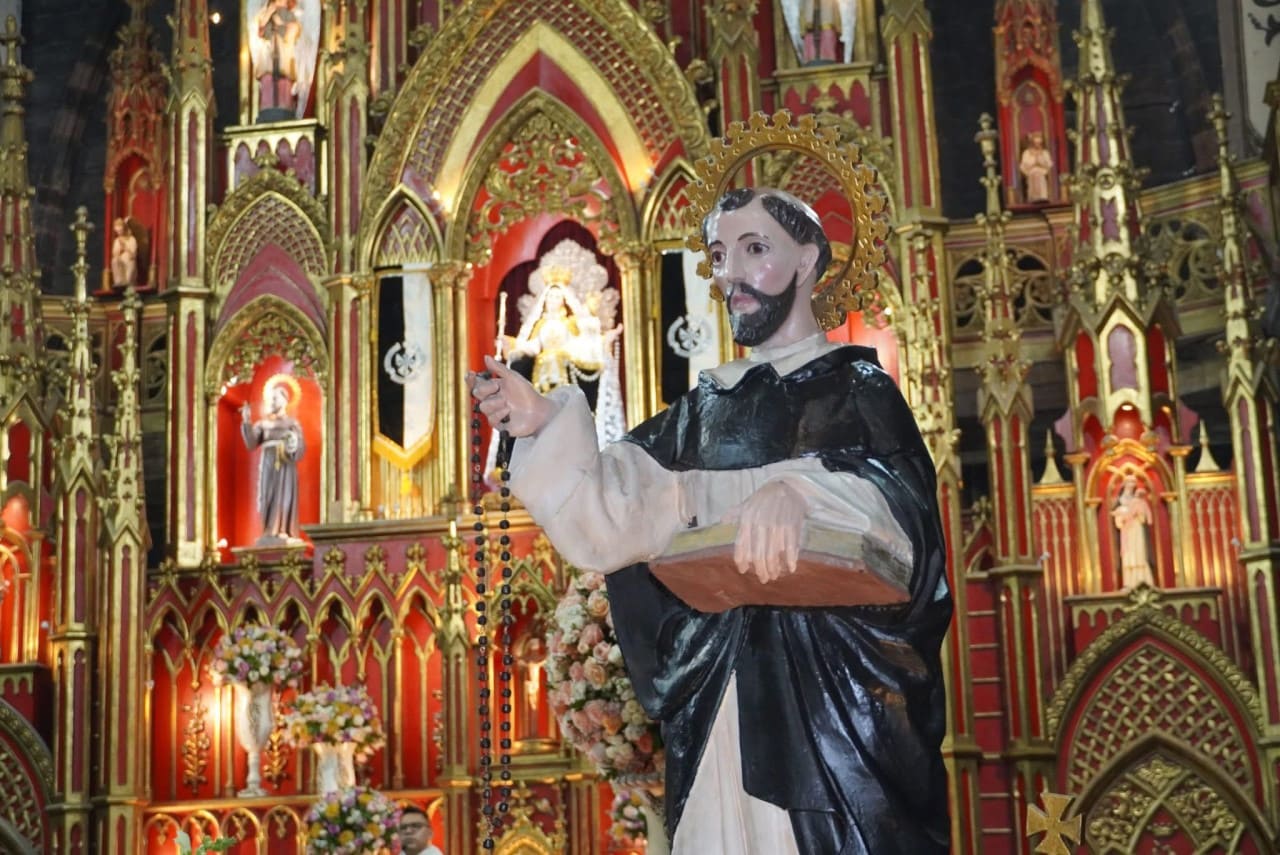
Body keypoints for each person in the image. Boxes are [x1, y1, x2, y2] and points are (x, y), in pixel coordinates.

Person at [469, 187, 951, 853]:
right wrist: (546, 423)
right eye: (720, 255)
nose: (731, 275)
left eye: (755, 250)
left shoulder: (860, 390)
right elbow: (616, 512)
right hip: (721, 699)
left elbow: (909, 528)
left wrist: (804, 495)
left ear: (808, 259)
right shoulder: (706, 407)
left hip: (833, 715)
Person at [240, 377, 305, 546]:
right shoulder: (264, 424)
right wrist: (246, 421)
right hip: (268, 464)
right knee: (267, 497)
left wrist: (292, 445)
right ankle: (268, 531)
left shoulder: (292, 423)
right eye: (271, 399)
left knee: (284, 496)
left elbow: (299, 447)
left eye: (275, 398)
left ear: (284, 400)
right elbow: (251, 443)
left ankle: (283, 530)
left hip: (286, 465)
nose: (272, 402)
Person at [1113, 475, 1155, 588]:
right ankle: (1129, 582)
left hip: (1137, 528)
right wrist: (1122, 517)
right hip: (1127, 530)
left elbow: (1144, 517)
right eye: (1129, 482)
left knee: (1139, 553)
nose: (1131, 485)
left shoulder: (1138, 500)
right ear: (1124, 484)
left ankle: (1142, 580)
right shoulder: (1120, 500)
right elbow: (1117, 518)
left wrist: (1139, 514)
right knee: (1128, 555)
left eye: (1133, 482)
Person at [1019, 131, 1054, 203]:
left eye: (1039, 143)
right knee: (1034, 173)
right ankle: (1033, 197)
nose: (1037, 145)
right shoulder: (1026, 153)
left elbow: (1049, 164)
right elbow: (1023, 165)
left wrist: (1040, 162)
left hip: (1042, 171)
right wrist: (1033, 162)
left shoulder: (1045, 152)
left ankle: (1042, 196)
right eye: (1036, 143)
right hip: (1030, 171)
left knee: (1038, 174)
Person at [110, 217, 138, 288]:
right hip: (120, 262)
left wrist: (125, 247)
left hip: (129, 261)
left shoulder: (132, 239)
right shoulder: (117, 241)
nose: (119, 233)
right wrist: (120, 250)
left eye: (120, 230)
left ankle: (128, 282)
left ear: (124, 229)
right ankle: (119, 281)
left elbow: (133, 255)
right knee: (115, 260)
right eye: (117, 231)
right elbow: (115, 254)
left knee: (130, 263)